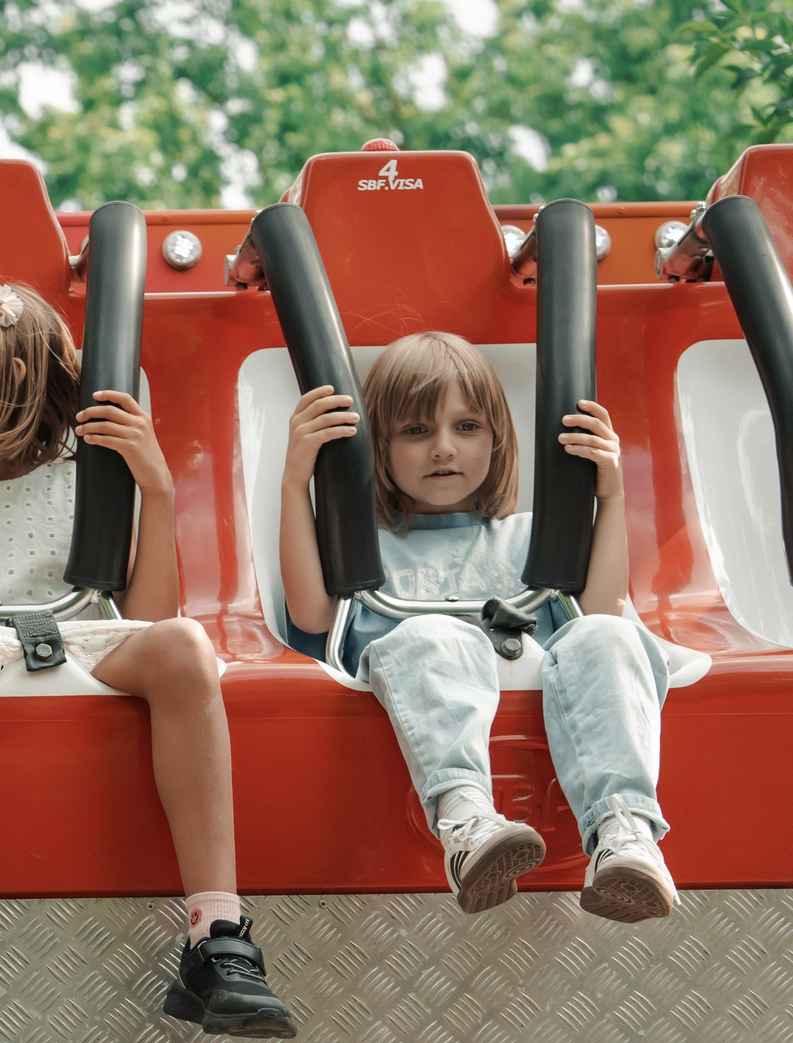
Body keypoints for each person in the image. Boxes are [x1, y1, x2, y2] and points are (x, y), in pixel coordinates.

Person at [0, 280, 295, 1043]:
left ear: (9, 375)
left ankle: (217, 931)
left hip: (77, 635)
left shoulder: (82, 481)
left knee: (185, 643)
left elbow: (144, 618)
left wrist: (154, 488)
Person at [279, 331, 674, 920]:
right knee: (434, 634)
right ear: (377, 446)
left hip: (544, 693)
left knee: (611, 637)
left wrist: (610, 494)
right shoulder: (358, 549)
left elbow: (599, 612)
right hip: (425, 692)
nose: (444, 449)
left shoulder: (535, 538)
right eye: (416, 431)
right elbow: (312, 615)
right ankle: (466, 822)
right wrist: (295, 482)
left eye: (466, 427)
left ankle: (625, 832)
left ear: (496, 439)